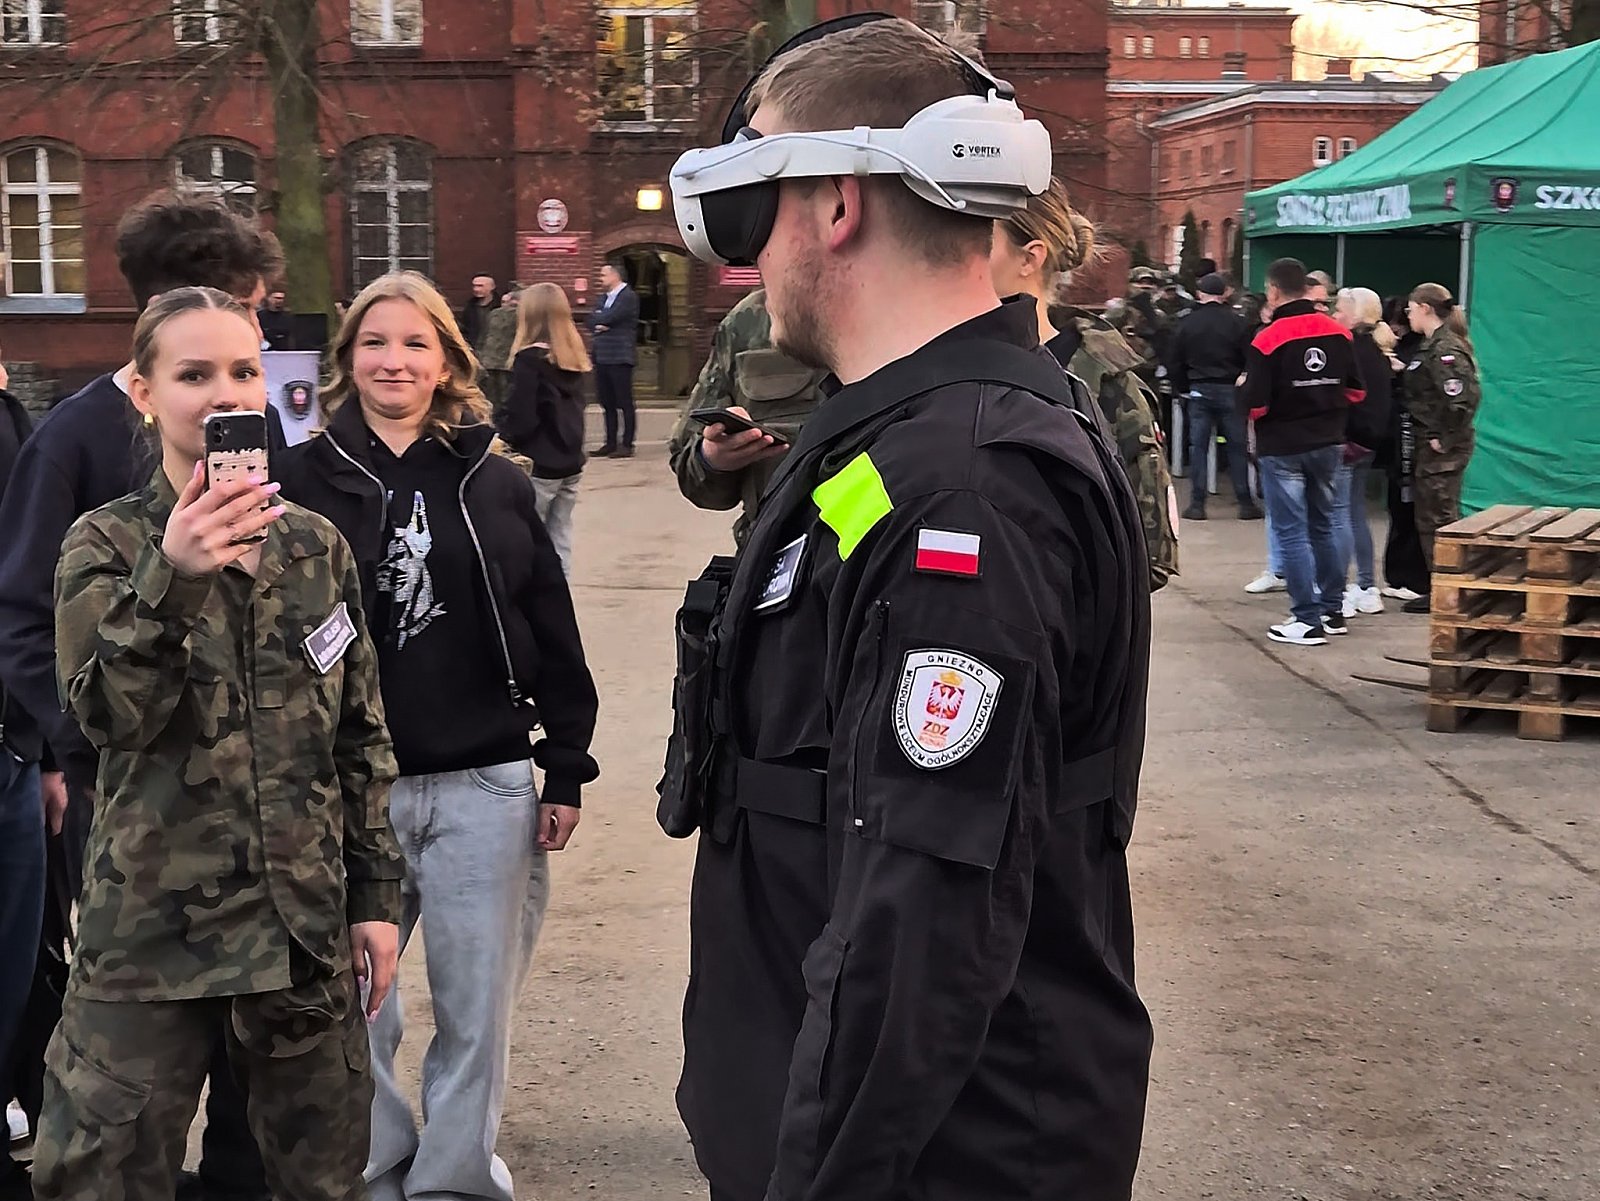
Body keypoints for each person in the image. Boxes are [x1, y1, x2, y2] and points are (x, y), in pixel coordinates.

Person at [661, 16, 1152, 1201]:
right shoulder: (902, 445)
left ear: (835, 203)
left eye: (756, 204)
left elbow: (922, 917)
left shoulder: (964, 487)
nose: (748, 255)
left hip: (931, 1160)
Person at [32, 286, 403, 1201]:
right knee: (102, 1179)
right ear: (144, 392)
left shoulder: (313, 548)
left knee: (320, 1181)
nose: (225, 393)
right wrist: (174, 575)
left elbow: (359, 734)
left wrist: (375, 895)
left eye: (243, 370)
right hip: (151, 935)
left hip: (298, 929)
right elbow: (105, 720)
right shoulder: (105, 545)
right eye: (193, 374)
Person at [275, 271, 599, 1201]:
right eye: (374, 342)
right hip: (347, 790)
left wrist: (565, 764)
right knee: (353, 1004)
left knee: (474, 1005)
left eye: (416, 343)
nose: (394, 361)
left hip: (483, 781)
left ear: (448, 360)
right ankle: (375, 1162)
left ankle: (454, 1178)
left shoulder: (495, 481)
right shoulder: (297, 481)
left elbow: (550, 622)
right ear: (346, 360)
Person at [0, 190, 286, 1201]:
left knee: (258, 1057)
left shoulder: (253, 432)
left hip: (261, 808)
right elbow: (23, 619)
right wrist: (75, 752)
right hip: (132, 809)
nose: (233, 372)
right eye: (245, 307)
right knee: (134, 1064)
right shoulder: (75, 439)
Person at [989, 177, 1180, 591]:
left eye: (982, 240)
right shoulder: (941, 363)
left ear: (1030, 258)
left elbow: (1151, 554)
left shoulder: (1104, 383)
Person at [1241, 257, 1367, 646]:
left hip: (1283, 446)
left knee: (1292, 532)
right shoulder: (1339, 333)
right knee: (1324, 525)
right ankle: (1332, 610)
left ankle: (1306, 619)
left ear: (1273, 291)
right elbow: (1356, 390)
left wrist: (1243, 391)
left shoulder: (1267, 339)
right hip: (1328, 441)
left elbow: (1256, 403)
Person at [667, 288, 825, 548]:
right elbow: (688, 466)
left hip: (885, 551)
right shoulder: (750, 320)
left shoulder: (898, 310)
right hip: (778, 550)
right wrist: (714, 460)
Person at [0, 356, 44, 1201]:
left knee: (14, 966)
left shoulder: (9, 420)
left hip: (11, 752)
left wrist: (40, 749)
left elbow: (24, 596)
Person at [502, 282, 592, 575]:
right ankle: (559, 593)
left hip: (539, 463)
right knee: (560, 535)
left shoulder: (529, 360)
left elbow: (523, 418)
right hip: (571, 461)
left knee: (527, 538)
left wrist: (502, 433)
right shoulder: (573, 358)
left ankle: (531, 595)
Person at [1403, 282, 1481, 614]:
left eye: (1410, 309)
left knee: (1440, 519)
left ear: (1424, 308)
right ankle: (1442, 586)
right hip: (1431, 444)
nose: (1407, 315)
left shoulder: (1444, 350)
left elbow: (1462, 399)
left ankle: (1451, 592)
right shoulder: (1431, 346)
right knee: (1431, 516)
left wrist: (1442, 437)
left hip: (1442, 448)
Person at [1168, 272, 1260, 521]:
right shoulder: (1238, 322)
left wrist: (1182, 387)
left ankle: (1197, 504)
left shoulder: (1187, 322)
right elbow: (1251, 357)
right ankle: (1245, 503)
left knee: (1198, 447)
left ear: (1200, 293)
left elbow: (1174, 360)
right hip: (1231, 389)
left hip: (1198, 388)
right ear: (1224, 293)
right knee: (1237, 446)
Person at [1332, 287, 1396, 617]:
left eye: (1339, 310)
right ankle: (1367, 586)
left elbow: (1347, 398)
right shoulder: (1377, 350)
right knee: (1354, 514)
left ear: (1355, 315)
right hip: (1368, 443)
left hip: (1348, 442)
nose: (1334, 314)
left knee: (1339, 516)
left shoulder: (1350, 349)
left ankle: (1340, 589)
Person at [1380, 296, 1428, 603]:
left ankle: (1414, 577)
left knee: (1410, 509)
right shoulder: (1409, 349)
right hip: (1401, 443)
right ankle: (1400, 575)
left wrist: (1400, 373)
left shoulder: (1423, 351)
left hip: (1412, 441)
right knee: (1400, 507)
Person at [587, 262, 639, 457]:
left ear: (615, 276)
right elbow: (591, 320)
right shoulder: (603, 298)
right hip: (602, 355)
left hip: (620, 355)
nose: (600, 279)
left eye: (603, 275)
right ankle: (610, 442)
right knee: (606, 402)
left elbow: (610, 317)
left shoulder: (628, 296)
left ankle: (627, 443)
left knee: (624, 401)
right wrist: (601, 321)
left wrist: (602, 320)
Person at [459, 273, 501, 354]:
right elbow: (464, 328)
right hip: (474, 349)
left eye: (480, 286)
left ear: (492, 287)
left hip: (496, 350)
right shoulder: (470, 307)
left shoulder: (500, 305)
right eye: (474, 286)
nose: (476, 289)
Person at [258, 286, 294, 351]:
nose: (279, 301)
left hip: (284, 351)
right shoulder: (260, 316)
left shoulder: (288, 317)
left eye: (281, 298)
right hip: (265, 351)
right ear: (269, 298)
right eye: (276, 298)